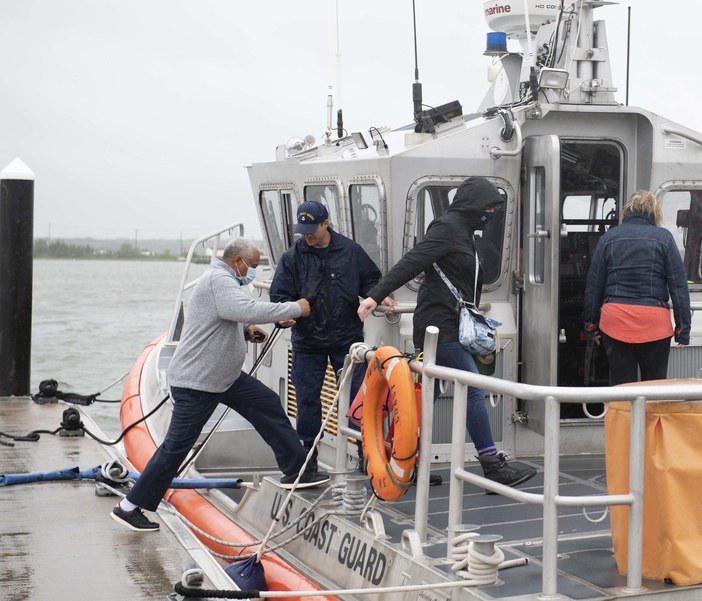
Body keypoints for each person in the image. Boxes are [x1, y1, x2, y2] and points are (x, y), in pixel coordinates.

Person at [110, 237, 328, 532]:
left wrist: (246, 332)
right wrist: (295, 308)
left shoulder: (223, 280)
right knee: (175, 449)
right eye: (250, 266)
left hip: (222, 379)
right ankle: (129, 507)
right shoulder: (219, 280)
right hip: (198, 383)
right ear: (237, 262)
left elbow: (229, 317)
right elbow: (246, 309)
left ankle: (297, 470)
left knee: (267, 404)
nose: (251, 271)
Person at [357, 176, 535, 489]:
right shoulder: (448, 228)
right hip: (440, 327)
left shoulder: (466, 231)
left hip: (446, 323)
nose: (491, 213)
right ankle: (491, 464)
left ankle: (403, 460)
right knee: (472, 389)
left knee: (428, 396)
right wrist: (374, 295)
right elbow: (411, 263)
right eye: (489, 207)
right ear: (473, 205)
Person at [269, 200, 395, 472]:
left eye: (312, 228)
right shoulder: (292, 257)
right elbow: (279, 297)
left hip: (347, 341)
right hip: (307, 343)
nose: (307, 235)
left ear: (326, 223)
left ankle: (365, 451)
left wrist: (379, 294)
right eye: (303, 230)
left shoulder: (351, 251)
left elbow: (371, 280)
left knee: (358, 397)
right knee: (307, 400)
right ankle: (308, 455)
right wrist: (284, 316)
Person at [583, 190, 691, 385]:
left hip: (615, 320)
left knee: (622, 386)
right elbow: (678, 286)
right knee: (654, 387)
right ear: (655, 213)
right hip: (654, 322)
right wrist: (682, 329)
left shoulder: (609, 237)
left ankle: (623, 415)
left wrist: (591, 324)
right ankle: (651, 415)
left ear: (628, 211)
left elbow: (594, 284)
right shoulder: (664, 238)